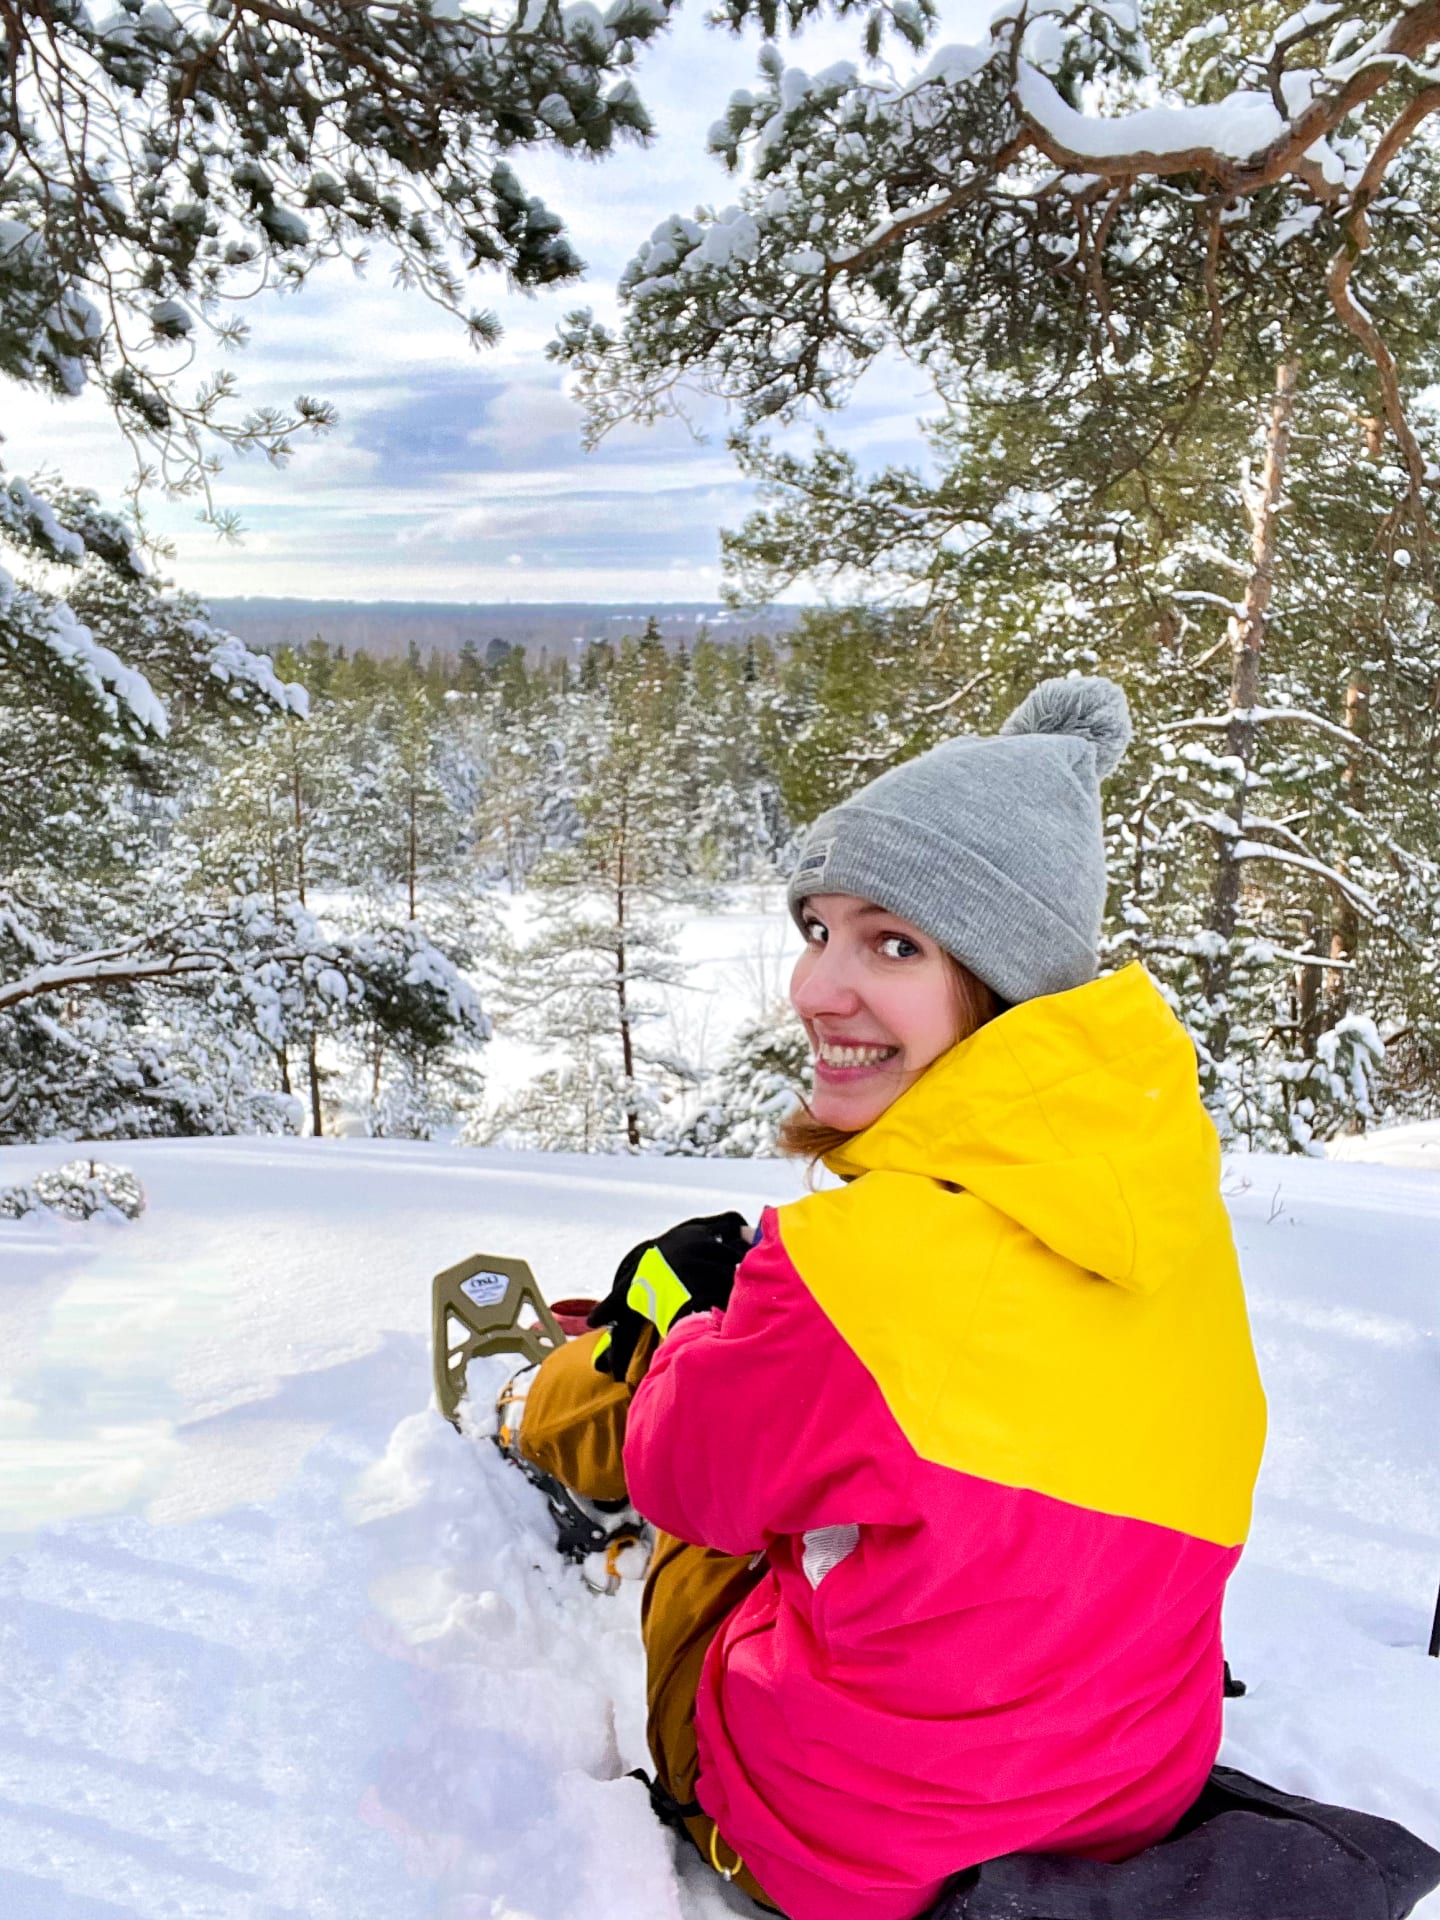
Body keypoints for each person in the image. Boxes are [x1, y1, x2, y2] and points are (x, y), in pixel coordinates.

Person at [512, 676, 1267, 1920]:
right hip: (1133, 1788)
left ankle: (537, 1409)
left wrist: (708, 1327)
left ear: (1000, 981)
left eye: (893, 944)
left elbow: (684, 1477)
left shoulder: (856, 1263)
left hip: (852, 1847)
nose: (817, 989)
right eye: (819, 929)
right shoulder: (1167, 1214)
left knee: (701, 1473)